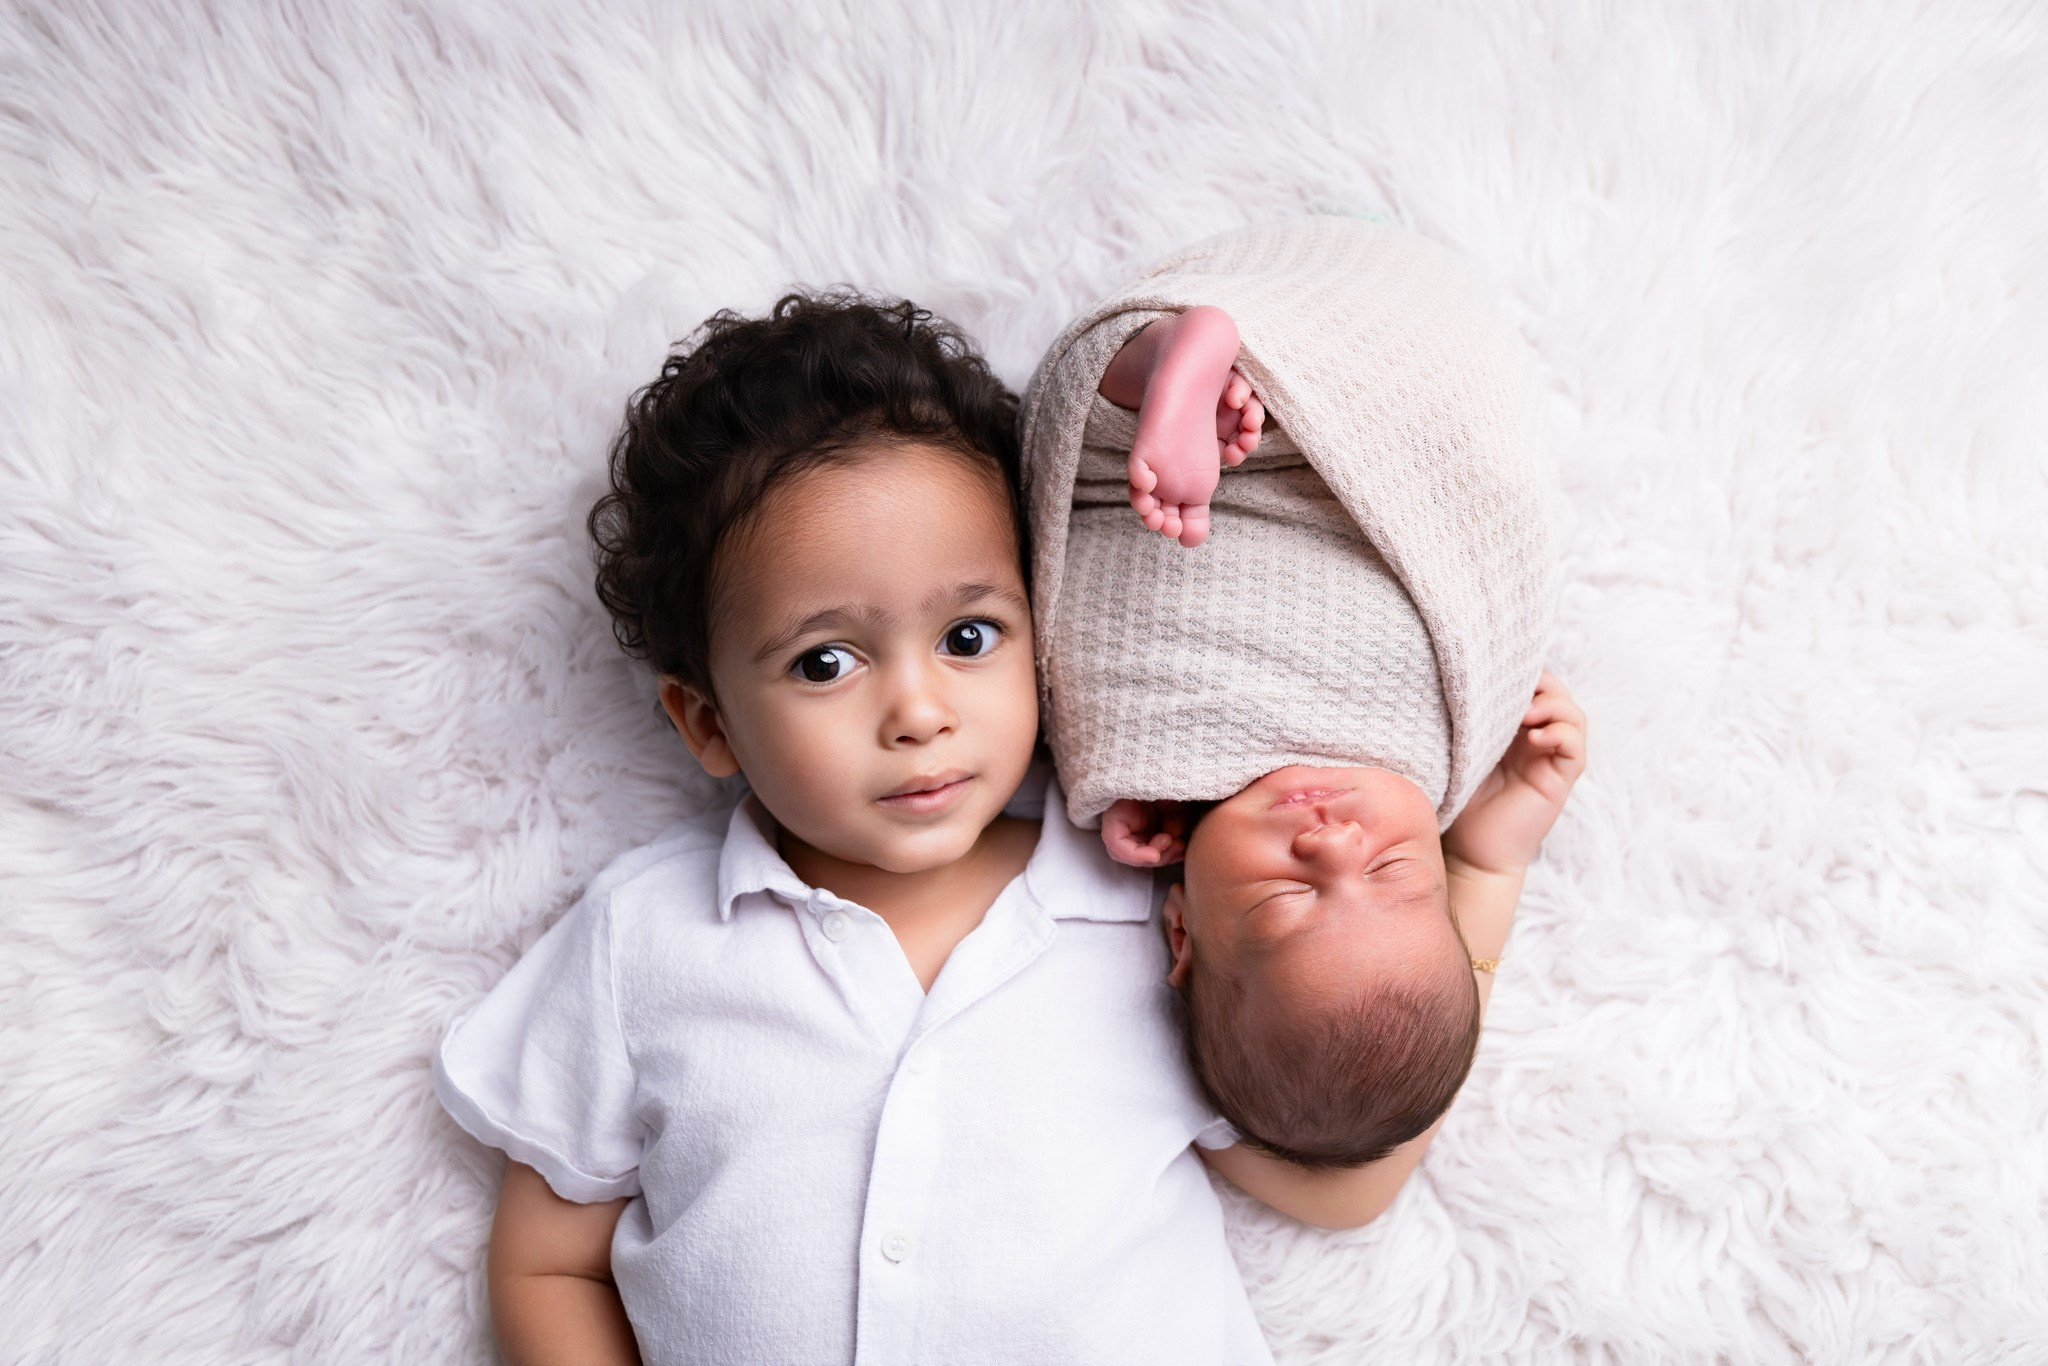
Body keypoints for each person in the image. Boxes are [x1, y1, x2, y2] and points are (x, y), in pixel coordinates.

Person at [431, 293, 1278, 1365]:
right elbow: (547, 1260)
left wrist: (1480, 867)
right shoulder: (646, 940)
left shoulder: (1148, 912)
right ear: (707, 721)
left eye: (969, 636)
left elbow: (1341, 1163)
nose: (918, 713)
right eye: (824, 661)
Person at [1020, 216, 1576, 1176]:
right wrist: (1495, 815)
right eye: (1398, 868)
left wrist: (1151, 789)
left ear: (1183, 927)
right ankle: (1203, 383)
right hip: (1382, 469)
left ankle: (1156, 375)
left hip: (1188, 519)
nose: (1332, 841)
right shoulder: (1442, 761)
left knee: (1093, 458)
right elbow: (1493, 590)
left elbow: (1100, 695)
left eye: (1285, 893)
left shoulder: (1150, 779)